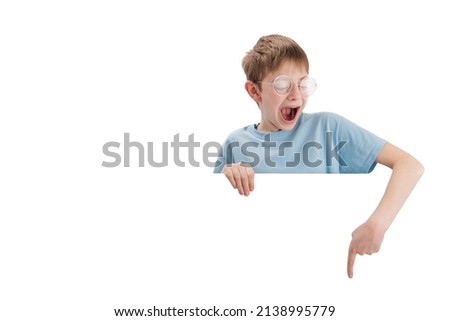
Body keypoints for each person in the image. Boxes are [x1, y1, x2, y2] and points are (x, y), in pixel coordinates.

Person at [213, 34, 424, 278]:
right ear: (254, 91)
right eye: (282, 84)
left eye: (303, 84)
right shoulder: (235, 144)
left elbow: (409, 165)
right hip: (255, 271)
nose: (295, 95)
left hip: (324, 270)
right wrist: (227, 175)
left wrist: (377, 225)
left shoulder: (329, 129)